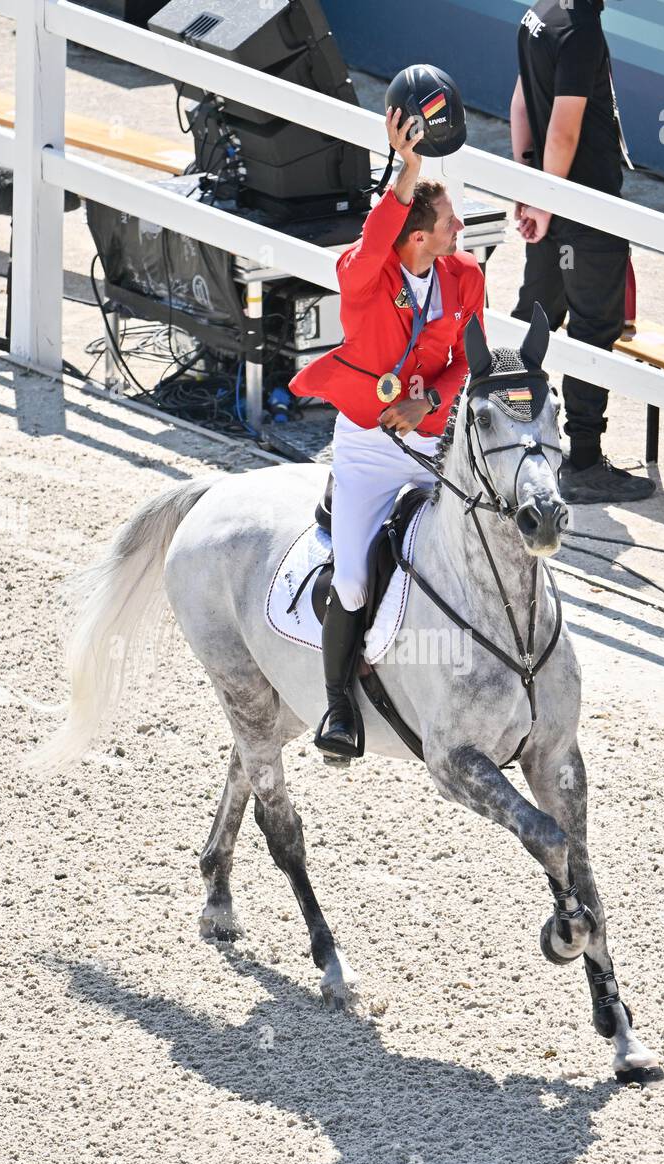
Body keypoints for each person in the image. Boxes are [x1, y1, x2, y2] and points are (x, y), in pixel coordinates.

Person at [289, 106, 486, 759]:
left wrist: (433, 395)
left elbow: (466, 361)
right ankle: (340, 707)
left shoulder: (466, 278)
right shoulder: (364, 283)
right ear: (418, 236)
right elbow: (373, 240)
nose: (461, 225)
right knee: (350, 582)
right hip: (371, 453)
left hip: (435, 446)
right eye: (449, 219)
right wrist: (408, 169)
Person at [510, 0, 654, 504]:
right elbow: (565, 128)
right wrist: (546, 202)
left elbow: (523, 103)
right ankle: (585, 462)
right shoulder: (581, 29)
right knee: (593, 331)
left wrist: (527, 183)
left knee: (534, 319)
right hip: (582, 207)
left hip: (552, 196)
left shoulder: (540, 14)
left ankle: (505, 439)